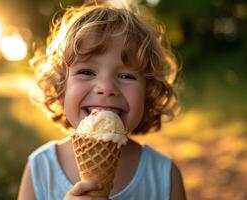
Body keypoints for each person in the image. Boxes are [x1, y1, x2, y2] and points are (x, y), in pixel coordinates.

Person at [18, 0, 186, 199]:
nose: (106, 88)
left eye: (126, 76)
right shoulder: (40, 169)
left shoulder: (165, 176)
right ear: (62, 88)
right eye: (87, 72)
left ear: (147, 92)